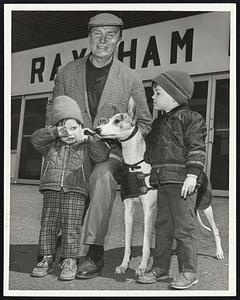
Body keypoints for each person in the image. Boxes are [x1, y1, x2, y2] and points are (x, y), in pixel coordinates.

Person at [46, 13, 152, 279]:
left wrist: (119, 136)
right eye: (97, 34)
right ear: (89, 36)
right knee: (69, 181)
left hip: (112, 152)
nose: (103, 40)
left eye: (110, 35)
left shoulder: (130, 77)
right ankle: (57, 245)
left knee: (102, 177)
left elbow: (146, 122)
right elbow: (51, 108)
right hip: (75, 147)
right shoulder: (66, 71)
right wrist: (63, 130)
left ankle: (93, 251)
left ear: (119, 39)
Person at [138, 70, 207, 289]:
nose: (153, 97)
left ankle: (189, 271)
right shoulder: (158, 124)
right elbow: (150, 154)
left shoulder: (191, 118)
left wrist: (193, 174)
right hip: (163, 181)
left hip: (182, 183)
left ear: (174, 95)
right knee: (163, 226)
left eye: (157, 93)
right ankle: (160, 267)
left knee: (184, 227)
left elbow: (197, 148)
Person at [31, 95, 110, 281]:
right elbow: (35, 139)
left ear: (81, 128)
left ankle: (69, 260)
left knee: (71, 226)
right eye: (64, 128)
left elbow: (102, 155)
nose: (69, 132)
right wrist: (54, 133)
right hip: (51, 187)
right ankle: (46, 258)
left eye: (74, 128)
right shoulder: (52, 142)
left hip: (76, 189)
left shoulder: (86, 144)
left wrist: (89, 139)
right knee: (48, 225)